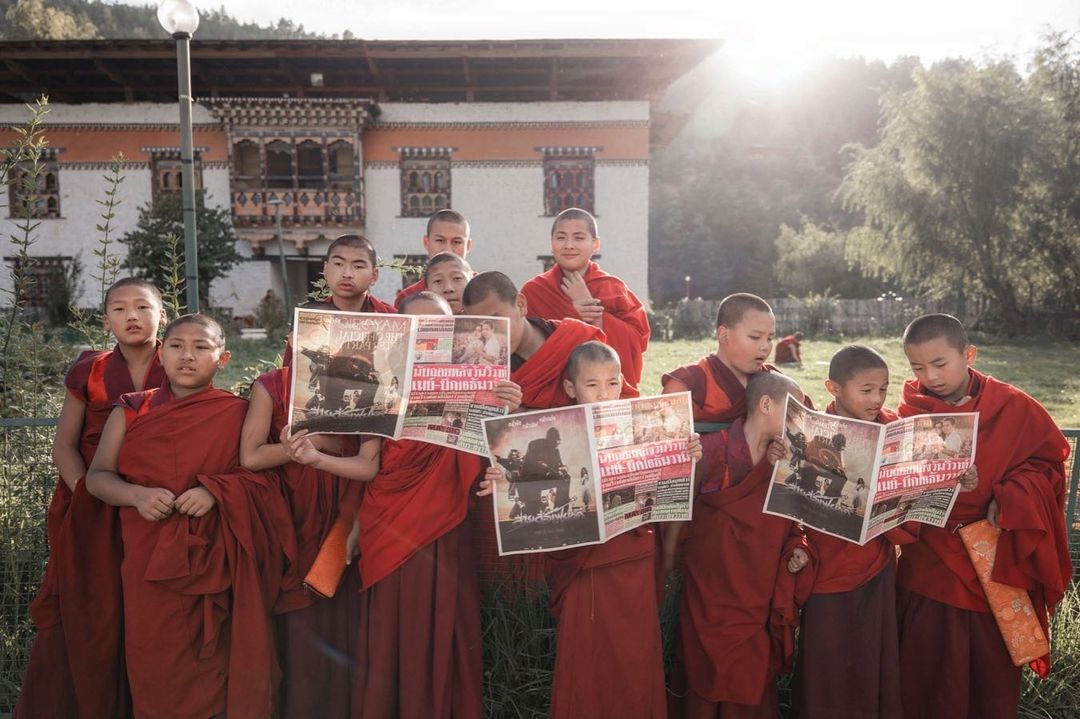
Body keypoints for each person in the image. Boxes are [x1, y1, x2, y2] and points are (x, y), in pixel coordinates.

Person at [285, 289, 522, 718]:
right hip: (388, 521)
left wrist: (508, 409)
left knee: (442, 625)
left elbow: (494, 453)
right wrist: (315, 458)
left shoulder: (477, 379)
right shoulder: (381, 381)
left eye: (439, 326)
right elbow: (368, 465)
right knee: (394, 633)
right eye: (417, 327)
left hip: (445, 522)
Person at [86, 314, 299, 719]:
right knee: (156, 667)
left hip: (218, 565)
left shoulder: (237, 412)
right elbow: (98, 478)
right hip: (150, 565)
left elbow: (265, 483)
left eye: (201, 347)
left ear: (223, 358)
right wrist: (137, 496)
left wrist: (216, 492)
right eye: (177, 346)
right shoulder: (133, 409)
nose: (188, 356)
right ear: (161, 353)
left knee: (221, 664)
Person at [478, 341, 702, 718]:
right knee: (586, 660)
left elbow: (670, 495)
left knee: (635, 660)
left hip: (631, 559)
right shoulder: (552, 429)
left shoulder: (642, 425)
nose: (604, 394)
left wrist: (686, 456)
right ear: (571, 389)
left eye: (612, 384)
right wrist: (500, 479)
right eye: (592, 385)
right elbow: (525, 480)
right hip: (584, 564)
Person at [894, 314, 1071, 719]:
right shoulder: (909, 411)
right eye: (918, 367)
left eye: (940, 364)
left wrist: (1009, 498)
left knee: (987, 675)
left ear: (968, 354)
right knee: (925, 667)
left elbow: (1048, 465)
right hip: (929, 557)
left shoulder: (1012, 406)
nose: (930, 377)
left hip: (992, 558)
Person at [16, 278, 166, 719]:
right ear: (106, 320)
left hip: (154, 503)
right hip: (88, 504)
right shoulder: (91, 370)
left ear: (163, 315)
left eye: (143, 307)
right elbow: (64, 445)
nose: (132, 317)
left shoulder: (180, 363)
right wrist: (89, 494)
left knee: (147, 610)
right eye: (119, 309)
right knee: (89, 610)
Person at [792, 345, 965, 719]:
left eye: (883, 389)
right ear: (833, 388)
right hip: (826, 567)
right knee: (826, 661)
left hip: (876, 563)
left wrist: (953, 477)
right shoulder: (813, 433)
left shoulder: (894, 430)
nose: (877, 399)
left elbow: (917, 489)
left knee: (872, 657)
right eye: (866, 390)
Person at [240, 337, 373, 717]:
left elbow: (372, 456)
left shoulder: (365, 383)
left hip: (349, 505)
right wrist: (303, 447)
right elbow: (250, 456)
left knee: (348, 620)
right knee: (298, 624)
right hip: (291, 512)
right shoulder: (272, 384)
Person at [677, 371, 813, 718]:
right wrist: (687, 464)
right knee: (704, 678)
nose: (799, 421)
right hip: (711, 591)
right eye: (794, 411)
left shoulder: (784, 458)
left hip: (757, 592)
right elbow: (682, 509)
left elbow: (793, 518)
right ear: (766, 404)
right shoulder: (712, 449)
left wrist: (799, 546)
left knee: (750, 682)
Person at [520, 207, 650, 388]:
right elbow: (521, 345)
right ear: (552, 243)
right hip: (552, 390)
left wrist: (595, 314)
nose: (568, 245)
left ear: (595, 244)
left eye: (579, 238)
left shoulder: (613, 288)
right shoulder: (534, 290)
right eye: (561, 237)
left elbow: (637, 341)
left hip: (600, 392)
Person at [662, 293, 779, 423]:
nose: (765, 346)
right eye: (755, 337)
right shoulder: (687, 384)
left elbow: (800, 433)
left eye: (770, 338)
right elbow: (666, 438)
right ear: (724, 335)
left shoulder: (773, 383)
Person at [284, 234, 395, 367]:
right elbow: (290, 376)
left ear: (374, 275)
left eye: (358, 266)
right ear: (325, 269)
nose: (347, 273)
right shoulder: (310, 319)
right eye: (338, 264)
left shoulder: (392, 318)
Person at [395, 209, 473, 307]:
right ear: (426, 242)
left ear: (468, 246)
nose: (447, 249)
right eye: (440, 240)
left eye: (456, 242)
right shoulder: (409, 297)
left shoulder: (484, 289)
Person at [424, 250, 474, 314]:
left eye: (457, 278)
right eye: (438, 281)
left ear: (472, 286)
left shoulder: (485, 320)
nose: (448, 288)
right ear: (427, 292)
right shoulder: (416, 322)